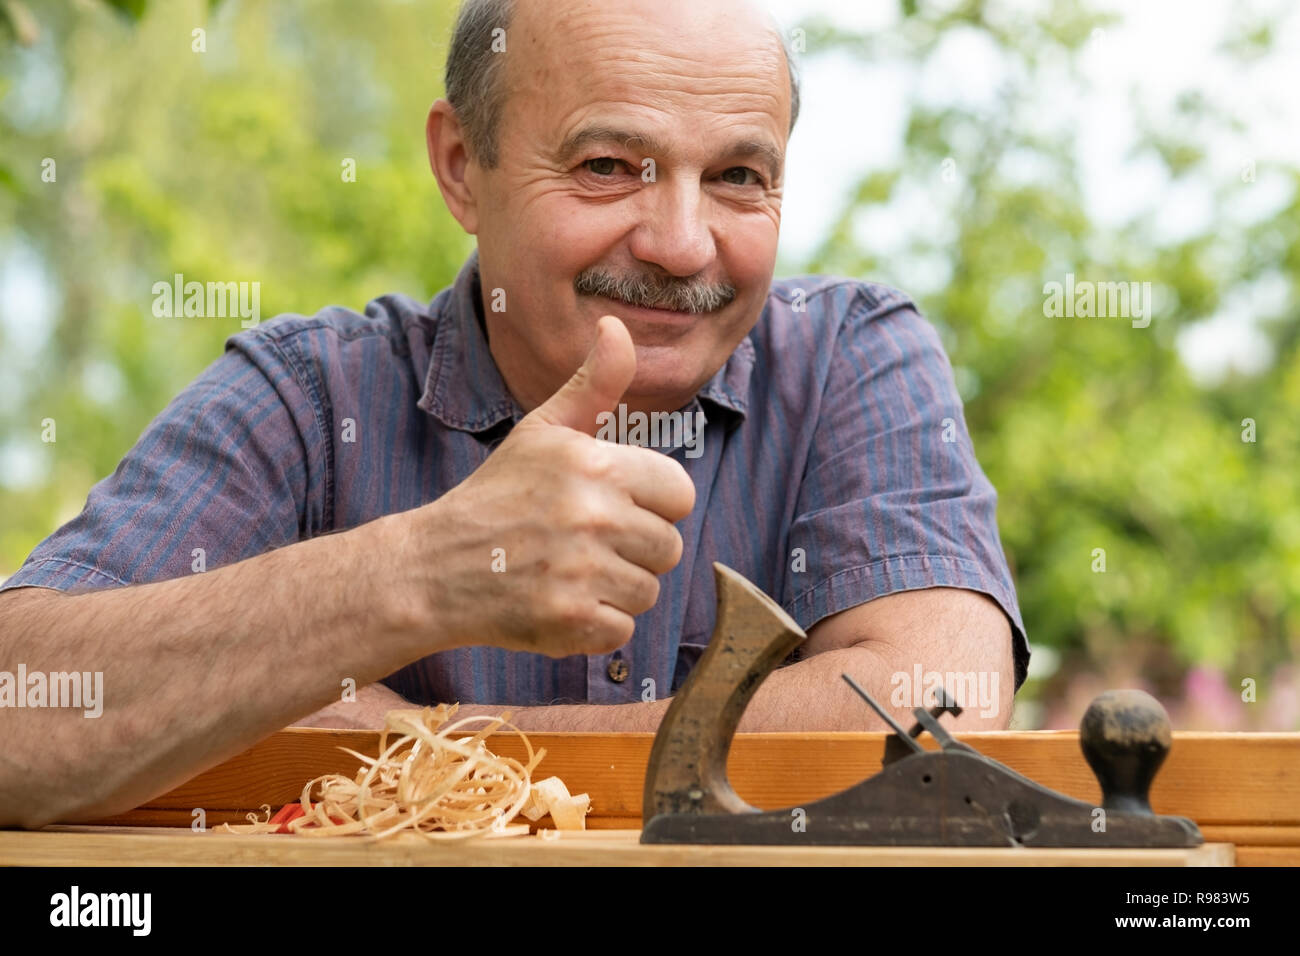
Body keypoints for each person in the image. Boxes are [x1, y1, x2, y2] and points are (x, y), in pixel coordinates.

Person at [0, 0, 1026, 827]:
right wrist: (418, 571)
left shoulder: (853, 357)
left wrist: (429, 743)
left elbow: (942, 714)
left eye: (736, 177)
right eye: (606, 166)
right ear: (461, 167)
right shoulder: (307, 394)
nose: (680, 241)